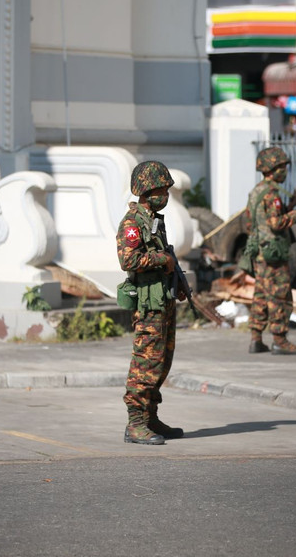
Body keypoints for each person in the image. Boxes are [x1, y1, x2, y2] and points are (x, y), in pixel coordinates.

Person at [117, 161, 185, 445]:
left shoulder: (154, 220)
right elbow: (128, 260)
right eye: (162, 189)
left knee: (161, 363)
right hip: (148, 305)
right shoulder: (132, 223)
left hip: (162, 300)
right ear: (147, 190)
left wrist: (177, 282)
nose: (166, 194)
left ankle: (150, 417)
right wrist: (163, 261)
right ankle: (135, 424)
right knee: (145, 364)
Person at [244, 147, 296, 355]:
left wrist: (289, 205)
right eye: (282, 167)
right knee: (280, 296)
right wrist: (295, 215)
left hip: (260, 252)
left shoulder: (257, 191)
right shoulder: (271, 193)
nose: (285, 171)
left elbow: (251, 222)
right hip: (273, 254)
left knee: (260, 295)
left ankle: (256, 339)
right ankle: (280, 339)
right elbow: (275, 223)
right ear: (273, 168)